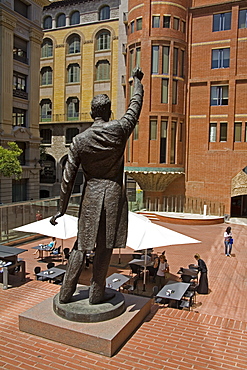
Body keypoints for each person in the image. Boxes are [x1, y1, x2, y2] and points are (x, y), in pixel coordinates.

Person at [50, 67, 144, 305]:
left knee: (81, 244)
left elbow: (67, 178)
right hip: (112, 193)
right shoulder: (120, 128)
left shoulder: (79, 140)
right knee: (104, 246)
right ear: (109, 111)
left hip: (91, 195)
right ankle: (96, 292)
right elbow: (135, 107)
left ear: (92, 113)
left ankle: (66, 292)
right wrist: (137, 82)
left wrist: (61, 209)